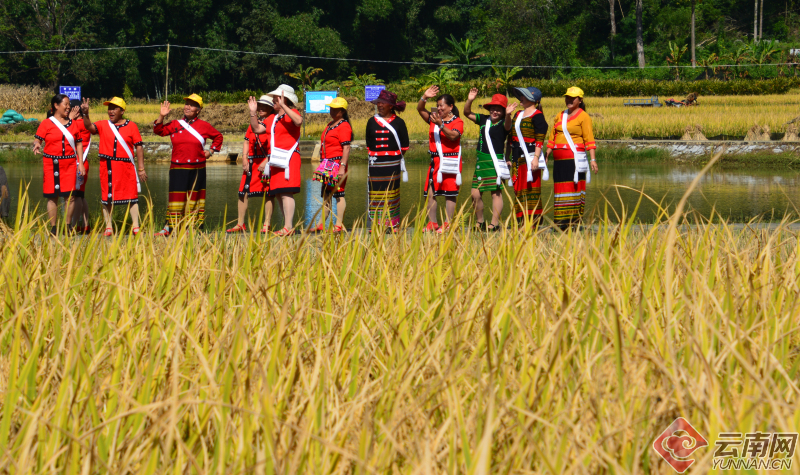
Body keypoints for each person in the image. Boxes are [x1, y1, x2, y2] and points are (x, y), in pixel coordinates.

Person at [153, 94, 223, 236]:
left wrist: (211, 151)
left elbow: (218, 137)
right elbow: (158, 131)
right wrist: (161, 116)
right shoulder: (175, 124)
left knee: (194, 198)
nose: (187, 107)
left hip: (197, 168)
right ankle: (169, 227)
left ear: (198, 109)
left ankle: (191, 228)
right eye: (186, 104)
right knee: (176, 198)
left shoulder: (204, 125)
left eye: (191, 105)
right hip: (177, 167)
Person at [80, 97, 147, 236]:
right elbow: (89, 127)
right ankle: (108, 226)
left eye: (114, 108)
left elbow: (139, 147)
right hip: (108, 166)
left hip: (126, 166)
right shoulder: (104, 124)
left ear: (122, 111)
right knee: (107, 196)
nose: (110, 111)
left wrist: (141, 168)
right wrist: (85, 114)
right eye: (109, 108)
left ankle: (136, 226)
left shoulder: (131, 126)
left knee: (131, 195)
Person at [247, 84, 302, 236]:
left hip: (289, 158)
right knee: (278, 193)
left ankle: (289, 227)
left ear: (284, 99)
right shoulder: (274, 118)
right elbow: (257, 129)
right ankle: (286, 225)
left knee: (286, 192)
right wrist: (253, 114)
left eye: (276, 99)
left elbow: (298, 121)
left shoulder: (293, 113)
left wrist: (284, 105)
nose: (273, 101)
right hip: (276, 159)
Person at [544, 86, 598, 230]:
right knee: (560, 188)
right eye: (567, 97)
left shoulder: (583, 116)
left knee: (573, 188)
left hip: (574, 159)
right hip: (559, 160)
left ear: (580, 100)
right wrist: (547, 153)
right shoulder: (560, 115)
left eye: (572, 98)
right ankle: (560, 222)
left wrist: (593, 160)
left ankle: (573, 222)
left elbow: (589, 139)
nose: (568, 100)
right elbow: (552, 136)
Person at [463, 89, 517, 231]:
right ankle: (480, 221)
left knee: (495, 193)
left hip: (495, 162)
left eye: (499, 109)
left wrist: (508, 115)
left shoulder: (504, 124)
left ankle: (494, 223)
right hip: (481, 161)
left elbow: (508, 125)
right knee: (475, 194)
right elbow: (467, 113)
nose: (495, 111)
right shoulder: (483, 120)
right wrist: (470, 100)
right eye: (493, 108)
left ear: (504, 111)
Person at [33, 94, 85, 234]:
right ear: (56, 105)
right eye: (66, 104)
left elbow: (79, 144)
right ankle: (54, 228)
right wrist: (37, 145)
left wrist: (80, 163)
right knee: (52, 196)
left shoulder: (73, 124)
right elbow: (38, 139)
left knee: (71, 196)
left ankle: (68, 226)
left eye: (69, 104)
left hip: (69, 163)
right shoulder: (46, 123)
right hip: (51, 164)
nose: (68, 107)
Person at [417, 86, 464, 233]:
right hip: (435, 161)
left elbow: (453, 136)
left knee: (450, 193)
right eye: (437, 105)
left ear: (451, 107)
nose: (439, 108)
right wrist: (424, 97)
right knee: (430, 193)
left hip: (450, 161)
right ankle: (433, 223)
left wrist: (440, 125)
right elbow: (420, 109)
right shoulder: (433, 119)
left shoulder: (458, 122)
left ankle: (448, 223)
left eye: (441, 105)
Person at [228, 95, 275, 234]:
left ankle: (267, 224)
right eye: (259, 106)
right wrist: (244, 158)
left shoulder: (273, 122)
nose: (260, 108)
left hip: (266, 160)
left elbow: (276, 144)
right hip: (252, 161)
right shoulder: (253, 123)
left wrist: (267, 160)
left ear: (271, 108)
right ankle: (240, 223)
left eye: (264, 106)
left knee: (268, 192)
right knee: (243, 191)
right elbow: (247, 140)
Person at [365, 90, 409, 233]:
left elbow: (405, 145)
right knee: (376, 193)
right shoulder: (371, 121)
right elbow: (369, 143)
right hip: (376, 164)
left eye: (383, 103)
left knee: (392, 192)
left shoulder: (399, 122)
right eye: (379, 102)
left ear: (391, 106)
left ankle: (393, 224)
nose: (380, 105)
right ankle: (378, 224)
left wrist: (392, 156)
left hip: (392, 164)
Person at [507, 86, 549, 228]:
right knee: (518, 189)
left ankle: (533, 223)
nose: (521, 98)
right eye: (521, 95)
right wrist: (507, 115)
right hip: (517, 158)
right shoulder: (517, 114)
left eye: (524, 96)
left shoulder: (537, 115)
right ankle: (520, 222)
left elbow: (540, 138)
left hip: (530, 157)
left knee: (531, 190)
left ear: (533, 100)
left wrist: (536, 157)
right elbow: (509, 133)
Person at [312, 97, 352, 233]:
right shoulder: (331, 124)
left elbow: (346, 148)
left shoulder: (344, 126)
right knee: (326, 194)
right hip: (328, 164)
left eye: (336, 109)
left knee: (339, 194)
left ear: (342, 111)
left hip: (337, 164)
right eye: (331, 109)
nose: (332, 111)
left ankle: (338, 225)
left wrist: (342, 166)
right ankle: (321, 223)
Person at [69, 100, 92, 233]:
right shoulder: (84, 122)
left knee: (76, 196)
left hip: (78, 163)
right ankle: (85, 224)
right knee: (80, 196)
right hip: (83, 162)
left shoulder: (77, 123)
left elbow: (64, 133)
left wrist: (70, 119)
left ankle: (75, 225)